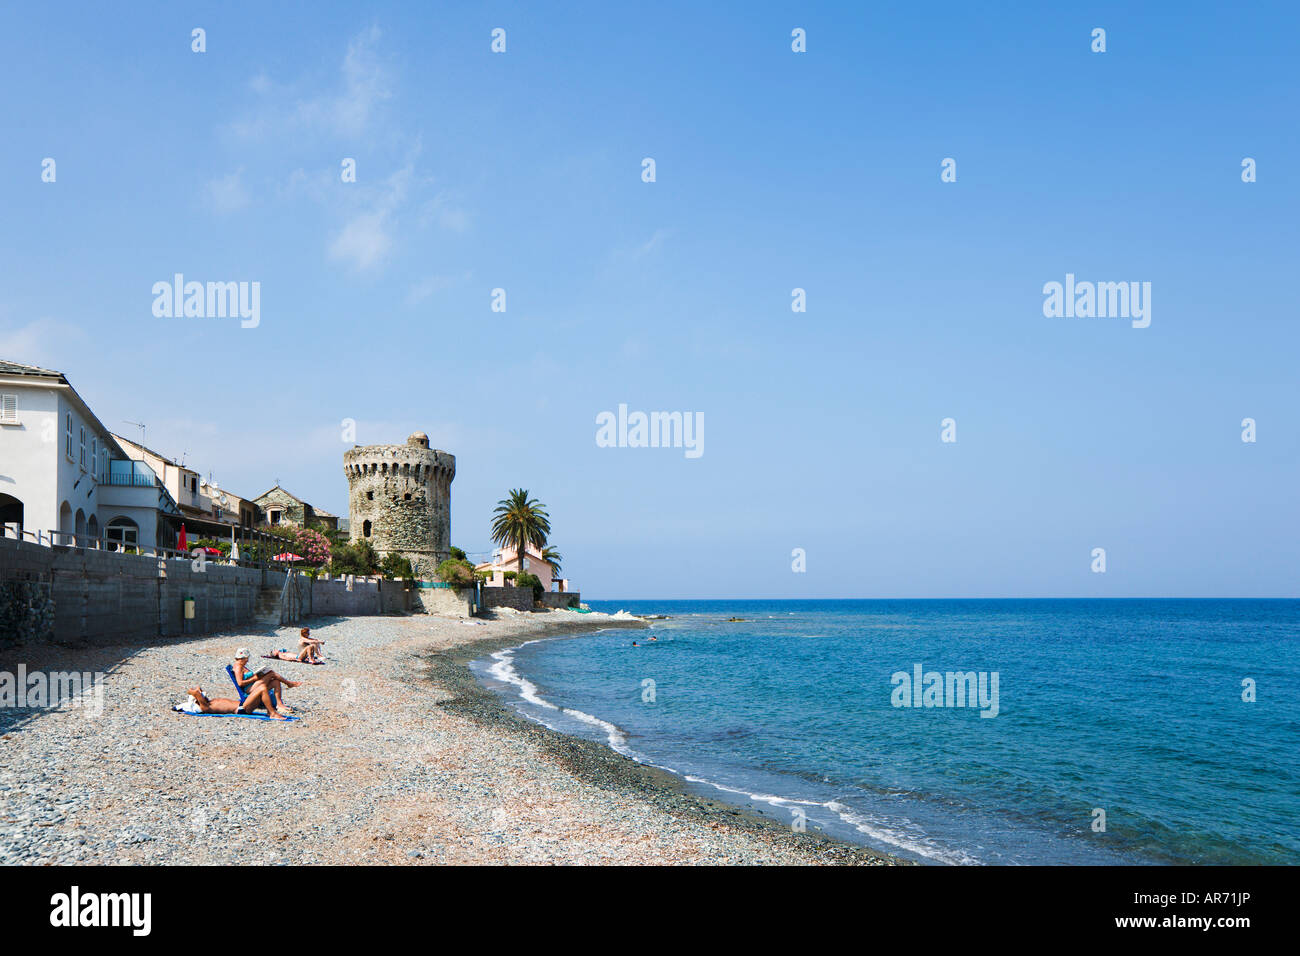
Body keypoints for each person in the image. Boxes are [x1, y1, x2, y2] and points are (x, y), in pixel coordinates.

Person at [233, 649, 301, 710]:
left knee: (276, 682)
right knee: (271, 673)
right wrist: (254, 679)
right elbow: (240, 683)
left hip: (252, 685)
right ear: (244, 658)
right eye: (247, 658)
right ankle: (289, 683)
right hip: (249, 689)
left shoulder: (240, 665)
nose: (247, 660)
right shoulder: (238, 667)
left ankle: (279, 704)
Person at [183, 684, 290, 721]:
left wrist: (198, 691)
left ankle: (270, 711)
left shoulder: (209, 702)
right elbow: (196, 692)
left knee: (263, 687)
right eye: (201, 696)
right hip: (242, 709)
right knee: (262, 688)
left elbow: (198, 690)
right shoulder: (205, 707)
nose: (203, 695)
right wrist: (191, 692)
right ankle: (271, 713)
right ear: (197, 701)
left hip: (242, 705)